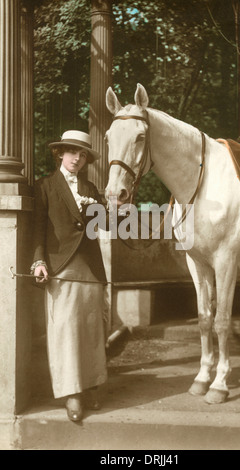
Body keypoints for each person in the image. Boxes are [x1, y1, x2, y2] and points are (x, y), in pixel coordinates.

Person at [31, 130, 108, 422]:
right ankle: (71, 393)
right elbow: (38, 229)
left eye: (83, 154)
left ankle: (90, 386)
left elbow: (104, 226)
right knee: (64, 332)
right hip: (60, 266)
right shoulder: (45, 187)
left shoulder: (91, 187)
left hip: (90, 267)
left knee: (90, 332)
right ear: (60, 153)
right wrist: (38, 261)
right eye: (72, 152)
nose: (77, 158)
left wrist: (104, 209)